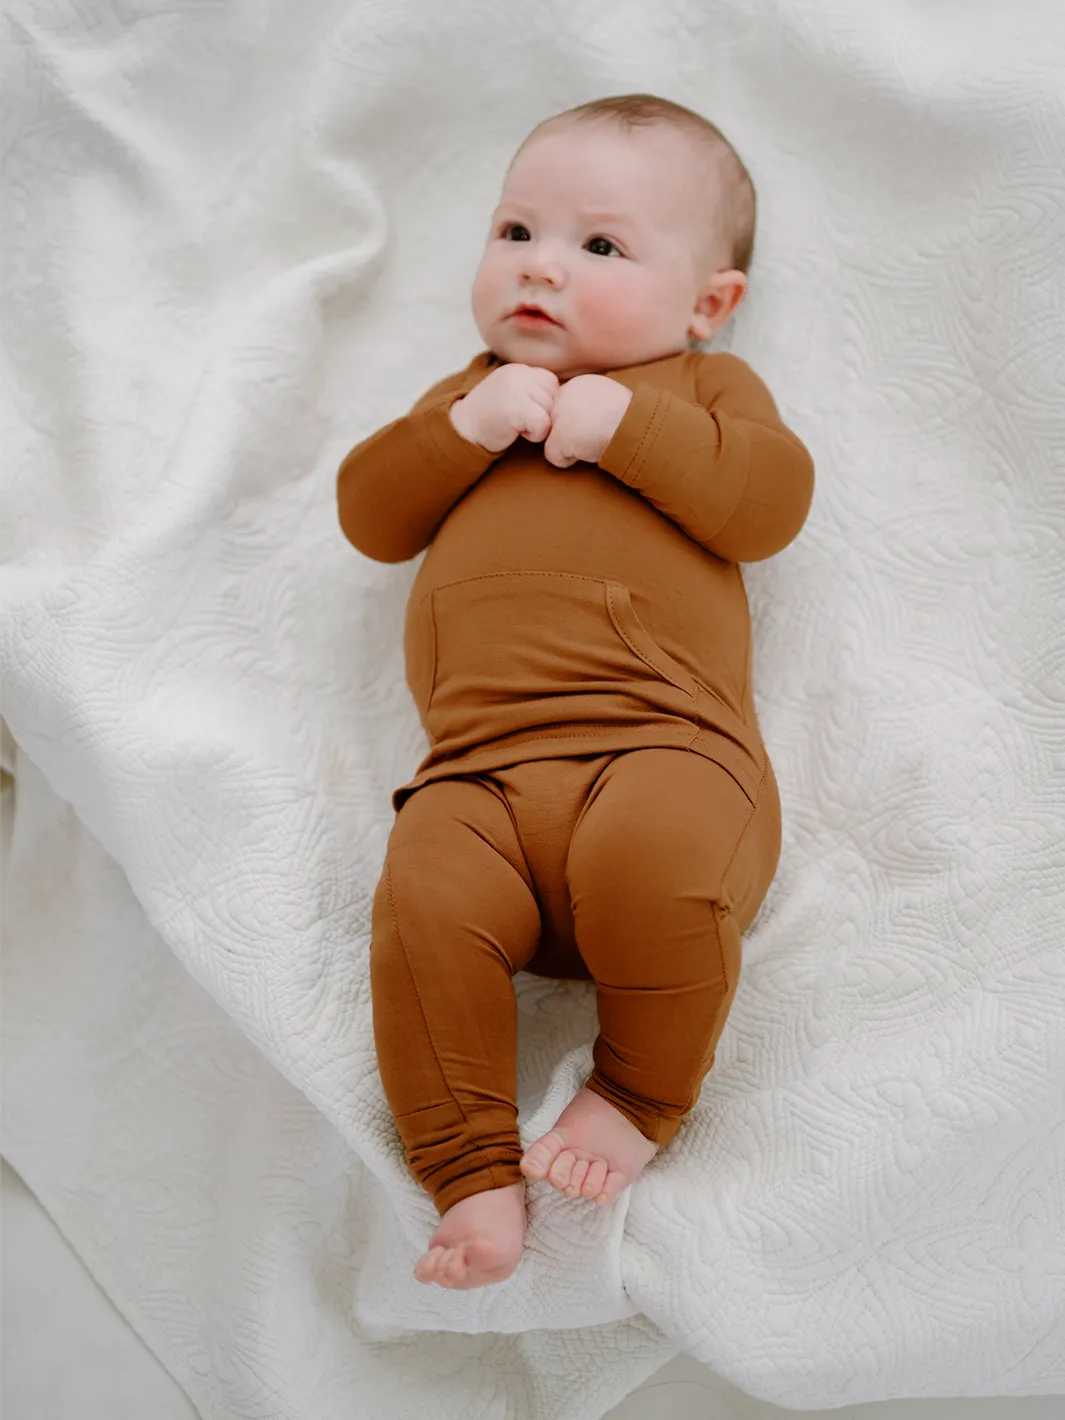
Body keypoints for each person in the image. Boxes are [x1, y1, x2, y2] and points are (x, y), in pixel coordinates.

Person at [336, 93, 815, 1291]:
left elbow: (771, 502)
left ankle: (634, 1095)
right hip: (478, 776)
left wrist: (631, 429)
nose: (540, 267)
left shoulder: (701, 392)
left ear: (707, 304)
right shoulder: (470, 394)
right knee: (420, 903)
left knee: (664, 868)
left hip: (664, 750)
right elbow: (369, 513)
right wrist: (461, 427)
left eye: (599, 246)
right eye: (516, 232)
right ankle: (469, 1171)